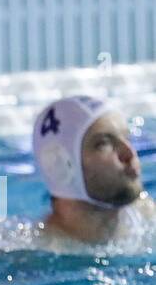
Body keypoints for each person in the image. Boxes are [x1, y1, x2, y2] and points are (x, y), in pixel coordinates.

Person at [33, 95, 154, 244]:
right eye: (103, 144)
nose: (130, 154)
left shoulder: (145, 215)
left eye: (127, 138)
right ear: (61, 166)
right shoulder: (33, 254)